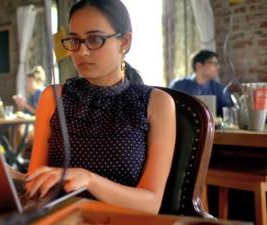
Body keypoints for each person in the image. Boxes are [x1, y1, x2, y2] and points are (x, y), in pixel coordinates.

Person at [24, 0, 176, 213]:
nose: (82, 52)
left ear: (124, 42)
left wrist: (88, 179)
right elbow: (35, 181)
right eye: (75, 41)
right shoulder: (54, 97)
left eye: (95, 39)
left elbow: (150, 204)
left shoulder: (157, 104)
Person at [169, 50, 233, 116]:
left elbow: (228, 115)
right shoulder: (178, 86)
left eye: (217, 64)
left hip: (212, 125)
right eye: (214, 63)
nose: (218, 67)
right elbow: (169, 109)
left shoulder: (220, 90)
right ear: (199, 66)